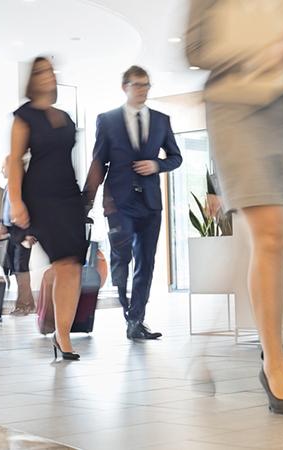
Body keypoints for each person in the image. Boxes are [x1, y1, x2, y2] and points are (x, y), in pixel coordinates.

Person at [187, 0, 283, 414]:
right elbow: (194, 49)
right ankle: (273, 362)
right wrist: (256, 50)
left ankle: (267, 352)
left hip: (282, 109)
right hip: (234, 106)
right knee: (270, 232)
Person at [84, 65, 183, 340]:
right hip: (118, 202)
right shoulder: (108, 120)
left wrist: (157, 165)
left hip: (150, 203)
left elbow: (176, 157)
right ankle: (127, 310)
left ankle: (136, 319)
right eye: (137, 85)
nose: (143, 90)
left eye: (146, 85)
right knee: (122, 259)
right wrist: (86, 203)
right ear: (124, 87)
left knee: (146, 261)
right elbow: (98, 161)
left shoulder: (161, 120)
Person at [8, 56, 88, 361]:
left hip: (69, 194)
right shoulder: (24, 116)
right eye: (41, 72)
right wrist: (16, 201)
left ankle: (62, 333)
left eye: (51, 71)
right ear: (32, 79)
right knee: (62, 261)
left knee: (73, 265)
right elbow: (15, 160)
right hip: (40, 196)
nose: (48, 76)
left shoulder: (65, 117)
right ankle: (60, 333)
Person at [0, 155, 37, 316]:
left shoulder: (24, 185)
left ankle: (23, 305)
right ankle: (29, 304)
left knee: (21, 269)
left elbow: (33, 209)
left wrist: (30, 234)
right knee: (16, 268)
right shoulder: (10, 185)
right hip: (12, 232)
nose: (2, 170)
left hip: (23, 232)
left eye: (4, 166)